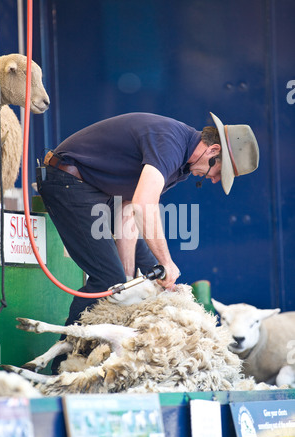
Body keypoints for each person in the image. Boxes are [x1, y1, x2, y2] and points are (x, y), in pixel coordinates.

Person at [37, 111, 259, 328]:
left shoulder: (181, 166)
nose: (214, 180)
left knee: (152, 275)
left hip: (97, 191)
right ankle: (65, 361)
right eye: (219, 171)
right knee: (108, 280)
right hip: (67, 180)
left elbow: (129, 208)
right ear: (213, 149)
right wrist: (166, 261)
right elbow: (144, 206)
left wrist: (127, 278)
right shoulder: (170, 143)